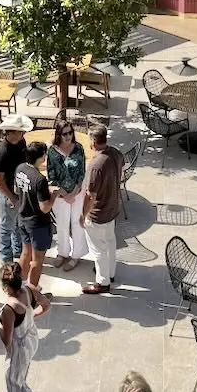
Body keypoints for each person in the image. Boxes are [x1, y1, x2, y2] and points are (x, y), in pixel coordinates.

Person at [80, 123, 125, 295]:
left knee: (97, 249)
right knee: (110, 242)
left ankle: (102, 282)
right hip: (112, 208)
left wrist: (83, 215)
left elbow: (90, 195)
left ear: (92, 142)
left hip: (97, 214)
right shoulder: (115, 152)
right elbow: (122, 165)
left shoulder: (95, 165)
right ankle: (110, 272)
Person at [0, 260, 49, 392]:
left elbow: (7, 341)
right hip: (32, 338)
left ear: (5, 287)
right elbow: (46, 305)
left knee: (13, 381)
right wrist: (31, 316)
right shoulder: (30, 289)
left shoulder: (8, 310)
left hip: (19, 347)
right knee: (22, 373)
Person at [47, 119, 89, 272]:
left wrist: (74, 192)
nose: (68, 136)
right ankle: (62, 252)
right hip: (60, 195)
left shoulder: (79, 148)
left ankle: (76, 255)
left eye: (70, 133)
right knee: (62, 224)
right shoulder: (52, 151)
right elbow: (51, 174)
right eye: (65, 134)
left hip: (77, 194)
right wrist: (64, 194)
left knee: (77, 224)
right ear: (59, 134)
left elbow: (82, 172)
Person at [0, 113, 33, 264]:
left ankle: (18, 251)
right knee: (6, 227)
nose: (23, 134)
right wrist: (11, 197)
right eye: (20, 131)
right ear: (11, 132)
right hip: (8, 194)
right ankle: (6, 261)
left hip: (18, 192)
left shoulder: (21, 143)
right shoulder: (2, 152)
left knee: (17, 224)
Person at [14, 141, 54, 290]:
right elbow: (45, 208)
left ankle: (18, 286)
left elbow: (18, 191)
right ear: (42, 157)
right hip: (38, 225)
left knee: (25, 254)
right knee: (37, 260)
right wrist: (54, 195)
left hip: (23, 219)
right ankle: (31, 294)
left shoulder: (20, 169)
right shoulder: (40, 179)